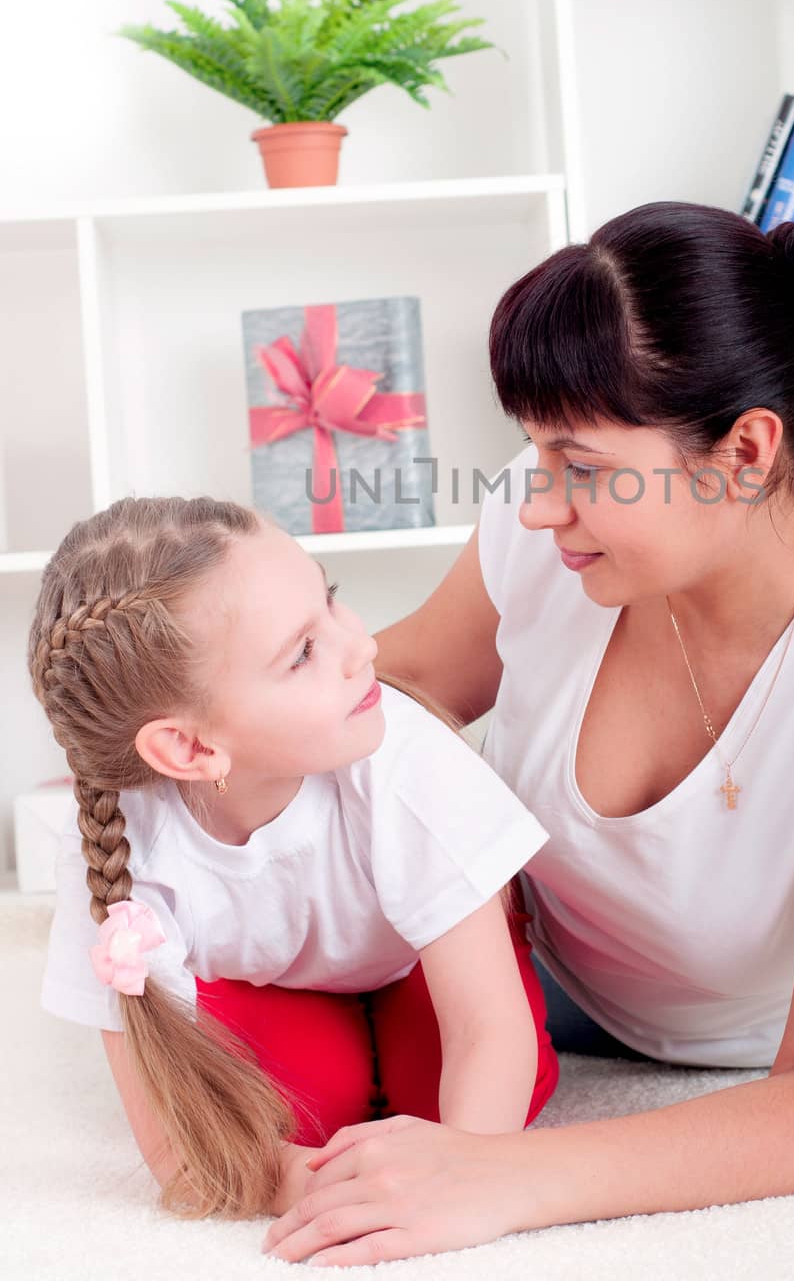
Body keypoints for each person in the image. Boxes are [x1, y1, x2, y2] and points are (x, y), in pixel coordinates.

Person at [262, 202, 794, 1268]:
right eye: (532, 453)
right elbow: (411, 681)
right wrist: (226, 734)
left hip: (725, 1053)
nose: (533, 504)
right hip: (508, 970)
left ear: (744, 450)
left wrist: (504, 1179)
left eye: (584, 465)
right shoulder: (556, 531)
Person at [27, 497, 560, 1222]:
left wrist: (453, 1186)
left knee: (478, 1095)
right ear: (188, 748)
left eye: (330, 600)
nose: (362, 645)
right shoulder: (114, 844)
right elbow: (175, 1140)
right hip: (276, 984)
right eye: (303, 652)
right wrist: (288, 1181)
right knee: (289, 1120)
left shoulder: (402, 759)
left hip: (422, 972)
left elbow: (486, 1030)